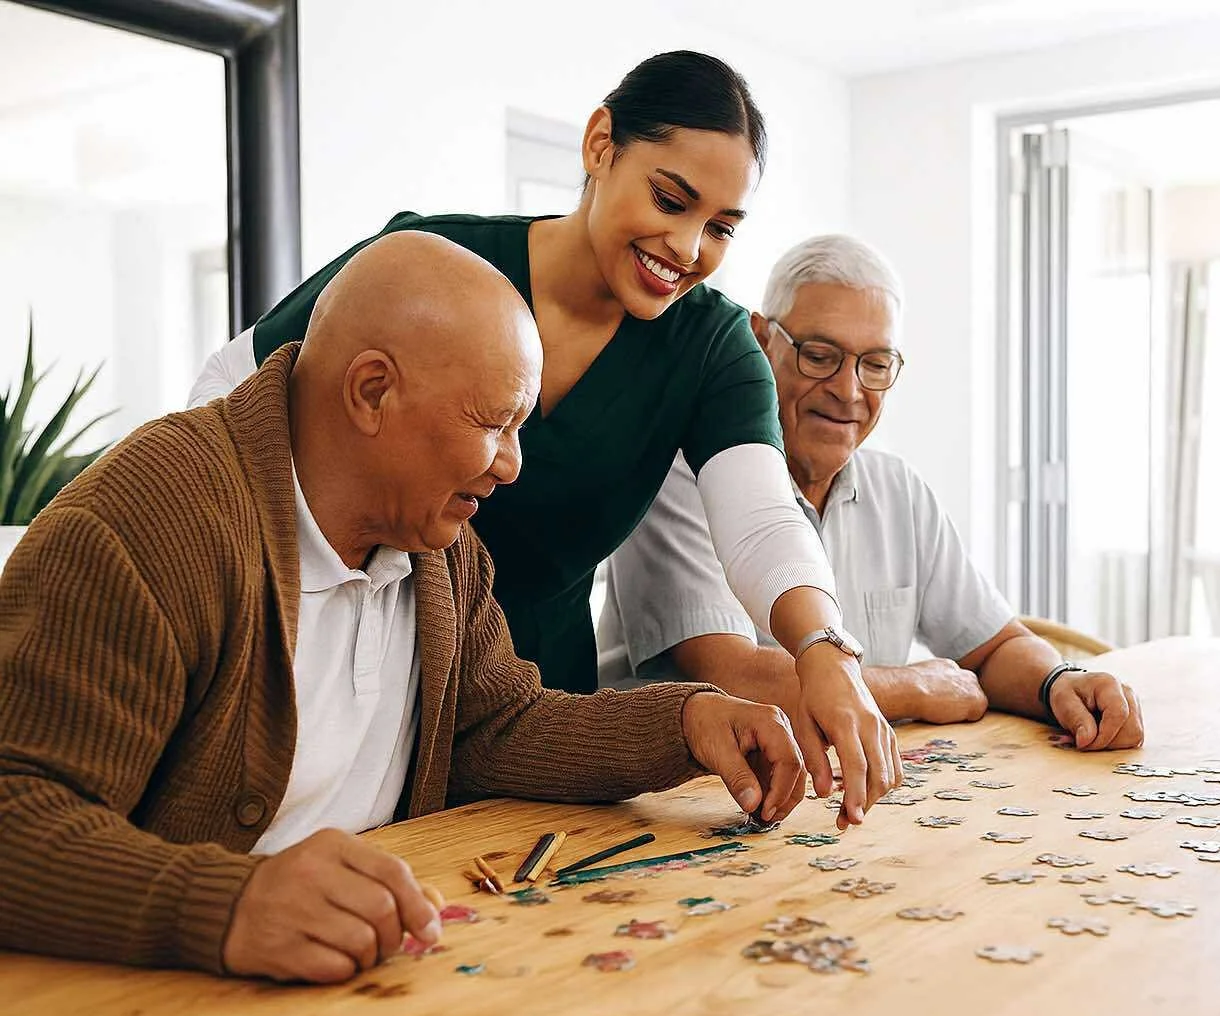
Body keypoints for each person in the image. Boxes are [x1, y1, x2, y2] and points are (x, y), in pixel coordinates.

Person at [0, 232, 808, 983]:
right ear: (373, 391)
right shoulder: (148, 521)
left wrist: (684, 723)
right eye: (495, 423)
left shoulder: (440, 543)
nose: (512, 467)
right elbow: (15, 816)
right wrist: (228, 902)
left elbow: (493, 728)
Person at [189, 51, 895, 827]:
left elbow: (762, 520)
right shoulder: (437, 268)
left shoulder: (712, 348)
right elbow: (232, 389)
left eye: (721, 227)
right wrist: (257, 585)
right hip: (352, 672)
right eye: (671, 199)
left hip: (529, 707)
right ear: (601, 145)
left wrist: (825, 651)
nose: (689, 249)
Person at [600, 234, 1145, 751]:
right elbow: (734, 677)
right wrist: (914, 687)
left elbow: (995, 645)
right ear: (761, 340)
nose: (847, 389)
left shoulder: (898, 489)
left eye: (876, 364)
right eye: (820, 355)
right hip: (667, 803)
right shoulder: (675, 475)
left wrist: (1058, 683)